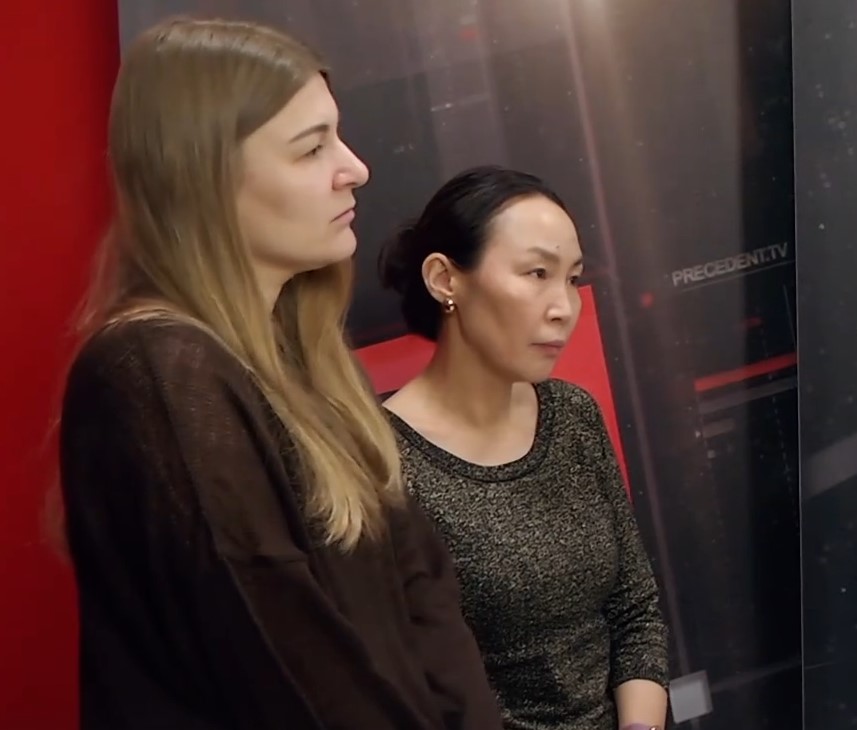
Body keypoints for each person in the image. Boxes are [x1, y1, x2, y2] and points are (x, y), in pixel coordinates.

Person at [58, 17, 503, 730]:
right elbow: (287, 669)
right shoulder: (157, 372)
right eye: (311, 148)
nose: (355, 168)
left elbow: (423, 592)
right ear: (206, 178)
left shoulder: (307, 358)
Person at [377, 165, 670, 730]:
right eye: (537, 273)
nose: (564, 306)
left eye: (572, 278)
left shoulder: (572, 414)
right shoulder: (380, 460)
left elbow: (635, 610)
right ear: (445, 279)